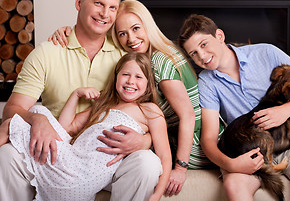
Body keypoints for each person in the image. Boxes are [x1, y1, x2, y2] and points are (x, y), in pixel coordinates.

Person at [0, 0, 162, 201]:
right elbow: (12, 109)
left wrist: (145, 141)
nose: (105, 14)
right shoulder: (47, 53)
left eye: (112, 7)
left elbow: (148, 114)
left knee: (148, 162)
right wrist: (38, 120)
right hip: (54, 151)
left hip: (106, 157)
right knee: (7, 155)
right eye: (98, 3)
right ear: (79, 3)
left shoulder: (125, 56)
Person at [49, 0, 214, 197]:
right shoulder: (145, 57)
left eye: (136, 28)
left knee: (147, 162)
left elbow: (187, 115)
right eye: (122, 33)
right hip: (170, 135)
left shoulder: (160, 61)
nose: (131, 39)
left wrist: (180, 169)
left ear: (148, 26)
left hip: (193, 144)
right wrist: (70, 33)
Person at [177, 14, 290, 201]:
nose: (201, 56)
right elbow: (208, 139)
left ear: (219, 36)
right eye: (193, 53)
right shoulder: (207, 83)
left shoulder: (267, 53)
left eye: (203, 44)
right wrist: (231, 164)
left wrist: (286, 110)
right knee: (234, 185)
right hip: (250, 151)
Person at [0, 52, 171, 201]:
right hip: (71, 159)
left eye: (139, 77)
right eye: (126, 74)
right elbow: (66, 127)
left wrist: (157, 194)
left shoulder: (150, 111)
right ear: (116, 77)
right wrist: (76, 95)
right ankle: (10, 126)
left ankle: (8, 126)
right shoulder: (103, 107)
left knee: (22, 119)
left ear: (148, 84)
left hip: (82, 174)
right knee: (39, 111)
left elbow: (164, 156)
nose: (131, 81)